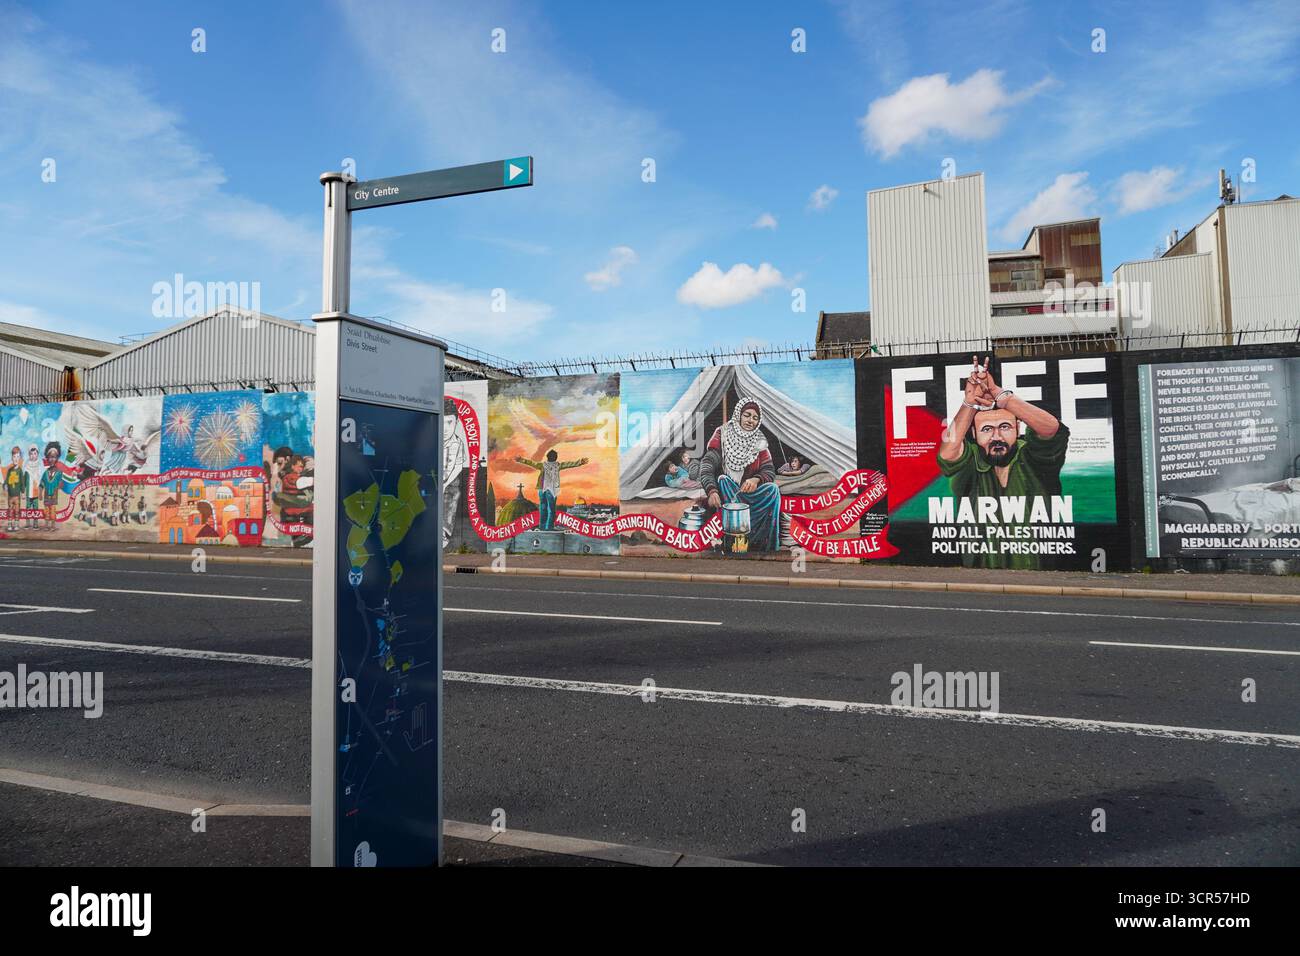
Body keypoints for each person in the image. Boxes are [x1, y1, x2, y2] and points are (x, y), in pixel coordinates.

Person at [937, 356, 1070, 570]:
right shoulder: (972, 461)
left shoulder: (1032, 456)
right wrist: (969, 403)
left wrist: (1001, 396)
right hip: (978, 573)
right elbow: (948, 453)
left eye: (1005, 427)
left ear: (1018, 429)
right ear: (974, 433)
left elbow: (1051, 429)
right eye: (987, 429)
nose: (996, 437)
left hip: (1038, 572)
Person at [699, 398, 781, 551]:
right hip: (728, 494)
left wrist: (756, 479)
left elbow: (769, 469)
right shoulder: (722, 433)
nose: (751, 420)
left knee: (773, 490)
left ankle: (765, 547)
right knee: (723, 479)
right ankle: (734, 542)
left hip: (749, 494)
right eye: (747, 415)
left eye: (755, 418)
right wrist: (711, 491)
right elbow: (707, 465)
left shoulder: (760, 441)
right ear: (739, 415)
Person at [514, 449, 589, 531]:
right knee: (551, 510)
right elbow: (569, 464)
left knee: (543, 508)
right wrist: (580, 462)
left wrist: (521, 460)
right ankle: (548, 527)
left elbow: (532, 463)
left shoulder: (543, 465)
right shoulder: (557, 465)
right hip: (551, 490)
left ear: (547, 457)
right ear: (556, 458)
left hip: (542, 489)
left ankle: (543, 527)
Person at [4, 446, 28, 532]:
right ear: (11, 457)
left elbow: (22, 483)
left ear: (20, 458)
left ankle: (16, 524)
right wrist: (5, 485)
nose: (16, 459)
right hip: (10, 496)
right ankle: (10, 524)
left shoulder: (20, 471)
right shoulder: (9, 470)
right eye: (14, 456)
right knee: (10, 510)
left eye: (18, 456)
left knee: (17, 510)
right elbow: (6, 480)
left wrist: (23, 492)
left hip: (17, 496)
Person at [23, 446, 42, 529]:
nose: (33, 456)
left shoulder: (40, 466)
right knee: (27, 508)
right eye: (31, 454)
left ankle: (35, 523)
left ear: (37, 454)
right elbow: (24, 481)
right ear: (29, 455)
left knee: (36, 509)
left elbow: (41, 480)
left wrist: (41, 491)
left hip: (36, 493)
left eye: (35, 454)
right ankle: (27, 523)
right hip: (28, 493)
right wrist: (23, 492)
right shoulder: (27, 467)